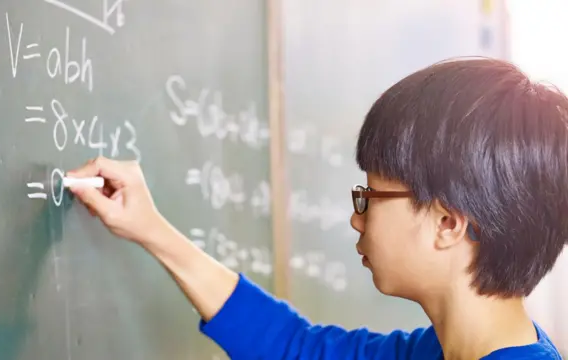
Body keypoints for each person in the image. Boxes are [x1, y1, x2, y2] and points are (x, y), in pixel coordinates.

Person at [66, 57, 566, 359]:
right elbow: (292, 349)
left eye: (370, 196)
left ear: (446, 223)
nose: (357, 215)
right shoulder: (437, 353)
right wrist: (151, 230)